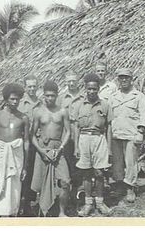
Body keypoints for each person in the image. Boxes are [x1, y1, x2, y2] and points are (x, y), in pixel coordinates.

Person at [108, 68, 145, 203]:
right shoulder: (113, 97)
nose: (124, 80)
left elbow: (144, 115)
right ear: (118, 80)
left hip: (132, 134)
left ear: (131, 79)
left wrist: (140, 132)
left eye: (126, 77)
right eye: (121, 77)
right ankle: (120, 186)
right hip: (116, 134)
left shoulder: (139, 96)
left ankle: (130, 187)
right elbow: (108, 116)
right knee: (117, 163)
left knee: (131, 162)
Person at [74, 73, 112, 217]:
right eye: (89, 89)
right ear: (85, 88)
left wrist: (108, 148)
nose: (91, 92)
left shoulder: (105, 105)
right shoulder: (79, 105)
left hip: (99, 139)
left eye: (94, 89)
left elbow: (109, 128)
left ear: (98, 89)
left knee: (99, 172)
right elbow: (76, 128)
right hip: (84, 139)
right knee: (86, 172)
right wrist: (77, 147)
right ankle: (88, 203)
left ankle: (100, 202)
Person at [31, 80, 71, 217]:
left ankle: (61, 212)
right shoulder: (38, 112)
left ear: (57, 95)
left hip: (58, 150)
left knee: (65, 181)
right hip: (43, 149)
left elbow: (68, 132)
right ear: (43, 95)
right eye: (47, 95)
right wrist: (41, 151)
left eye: (52, 96)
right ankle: (43, 212)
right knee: (41, 181)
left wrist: (60, 148)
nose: (49, 98)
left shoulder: (62, 112)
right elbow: (32, 136)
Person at [0, 83, 30, 217]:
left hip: (17, 154)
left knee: (15, 184)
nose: (15, 102)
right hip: (2, 153)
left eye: (17, 99)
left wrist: (25, 166)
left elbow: (26, 141)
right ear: (6, 99)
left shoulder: (23, 118)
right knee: (1, 182)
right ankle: (1, 214)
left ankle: (13, 212)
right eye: (12, 99)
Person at [56, 70, 84, 204]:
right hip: (65, 131)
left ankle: (78, 191)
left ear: (78, 81)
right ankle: (65, 190)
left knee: (78, 160)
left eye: (74, 81)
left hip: (79, 130)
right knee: (66, 159)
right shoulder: (61, 98)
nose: (72, 83)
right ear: (65, 82)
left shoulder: (83, 97)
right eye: (69, 81)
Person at [18, 75, 42, 216]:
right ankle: (21, 202)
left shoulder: (42, 103)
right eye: (29, 86)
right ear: (25, 87)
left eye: (34, 86)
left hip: (37, 143)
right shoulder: (20, 104)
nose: (32, 89)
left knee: (33, 172)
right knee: (23, 171)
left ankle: (30, 202)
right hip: (23, 142)